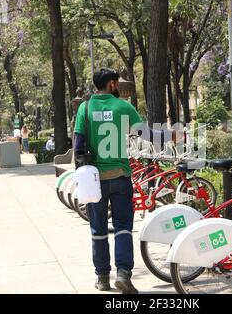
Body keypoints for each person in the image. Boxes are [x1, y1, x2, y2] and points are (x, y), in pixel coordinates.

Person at [74, 68, 177, 294]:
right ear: (111, 84)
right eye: (116, 83)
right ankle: (123, 274)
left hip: (95, 180)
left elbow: (78, 144)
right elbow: (147, 135)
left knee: (98, 229)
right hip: (120, 177)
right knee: (123, 228)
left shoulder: (85, 108)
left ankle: (102, 278)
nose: (118, 86)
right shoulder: (124, 107)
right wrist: (172, 135)